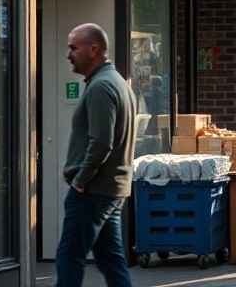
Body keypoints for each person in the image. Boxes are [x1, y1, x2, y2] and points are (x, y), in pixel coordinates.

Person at [56, 23, 138, 287]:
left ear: (93, 49)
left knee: (69, 255)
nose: (69, 54)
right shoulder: (116, 82)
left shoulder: (102, 86)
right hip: (110, 189)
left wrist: (81, 179)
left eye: (73, 47)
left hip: (93, 190)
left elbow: (101, 141)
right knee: (110, 261)